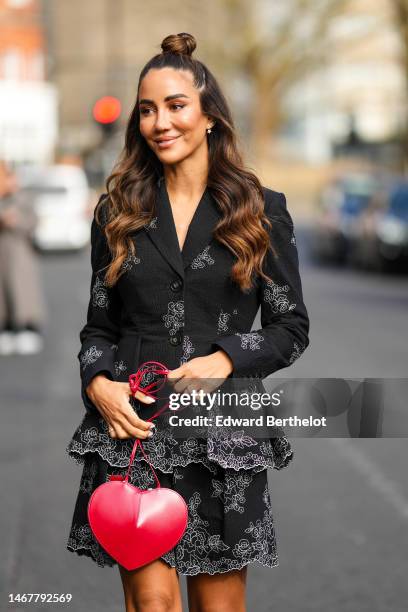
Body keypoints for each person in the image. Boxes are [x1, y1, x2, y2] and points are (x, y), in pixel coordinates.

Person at [66, 32, 310, 612]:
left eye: (176, 105)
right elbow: (98, 327)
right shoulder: (117, 211)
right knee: (152, 605)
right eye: (147, 109)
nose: (160, 121)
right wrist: (98, 383)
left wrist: (227, 358)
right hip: (135, 433)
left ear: (209, 117)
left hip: (224, 433)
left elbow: (290, 326)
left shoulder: (260, 208)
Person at [0, 161, 46, 355]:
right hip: (3, 255)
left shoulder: (23, 198)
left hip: (21, 255)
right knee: (4, 294)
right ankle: (7, 328)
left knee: (23, 291)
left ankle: (28, 328)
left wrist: (15, 221)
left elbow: (33, 222)